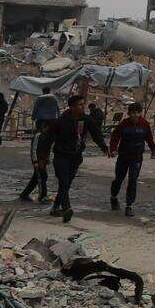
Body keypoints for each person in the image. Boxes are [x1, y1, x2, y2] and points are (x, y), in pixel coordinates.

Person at [41, 93, 106, 222]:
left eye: (83, 104)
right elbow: (48, 140)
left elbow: (96, 133)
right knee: (64, 181)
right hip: (61, 156)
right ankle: (66, 208)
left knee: (66, 184)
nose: (83, 107)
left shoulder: (86, 120)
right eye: (80, 105)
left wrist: (104, 147)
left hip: (75, 157)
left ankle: (55, 207)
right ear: (72, 107)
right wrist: (43, 157)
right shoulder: (60, 121)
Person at [108, 101, 155, 215]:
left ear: (140, 113)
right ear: (129, 113)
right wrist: (113, 149)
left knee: (133, 179)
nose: (135, 115)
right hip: (124, 156)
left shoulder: (144, 124)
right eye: (132, 113)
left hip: (137, 157)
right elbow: (115, 137)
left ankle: (129, 205)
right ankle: (113, 196)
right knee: (119, 179)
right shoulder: (123, 124)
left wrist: (153, 150)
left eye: (137, 113)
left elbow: (149, 138)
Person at [18, 92, 61, 203]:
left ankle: (24, 194)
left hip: (42, 159)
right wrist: (36, 161)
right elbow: (34, 149)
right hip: (38, 160)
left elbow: (49, 148)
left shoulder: (47, 135)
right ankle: (42, 196)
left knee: (37, 178)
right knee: (42, 177)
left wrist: (46, 159)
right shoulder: (39, 135)